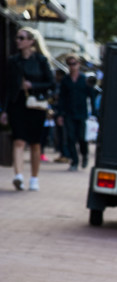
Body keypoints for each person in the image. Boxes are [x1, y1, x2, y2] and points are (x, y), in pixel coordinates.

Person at [1, 27, 55, 191]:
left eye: (21, 37)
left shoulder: (41, 60)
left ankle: (34, 178)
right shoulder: (13, 61)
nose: (18, 40)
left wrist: (33, 85)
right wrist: (3, 110)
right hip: (17, 104)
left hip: (36, 106)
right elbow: (6, 87)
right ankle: (18, 176)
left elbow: (51, 84)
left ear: (31, 41)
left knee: (35, 144)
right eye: (17, 37)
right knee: (18, 140)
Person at [56, 54, 97, 172]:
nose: (72, 66)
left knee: (82, 138)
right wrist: (59, 114)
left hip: (82, 114)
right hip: (68, 113)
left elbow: (92, 96)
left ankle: (84, 155)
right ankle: (74, 161)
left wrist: (94, 113)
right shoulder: (65, 80)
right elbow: (62, 98)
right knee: (70, 138)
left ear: (78, 64)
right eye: (69, 64)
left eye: (74, 63)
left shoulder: (85, 79)